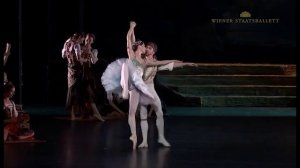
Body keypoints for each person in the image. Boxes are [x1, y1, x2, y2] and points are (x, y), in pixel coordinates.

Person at [101, 21, 180, 149]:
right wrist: (132, 28)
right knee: (126, 64)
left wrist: (172, 60)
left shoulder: (145, 60)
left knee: (131, 113)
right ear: (139, 47)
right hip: (126, 83)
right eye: (144, 46)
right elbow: (129, 39)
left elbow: (159, 63)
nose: (145, 48)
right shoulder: (132, 55)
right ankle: (125, 90)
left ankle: (134, 136)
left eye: (146, 47)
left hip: (136, 87)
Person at [138, 41, 198, 148]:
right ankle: (144, 141)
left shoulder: (156, 62)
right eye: (146, 47)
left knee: (160, 113)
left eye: (149, 48)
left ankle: (161, 137)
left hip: (151, 89)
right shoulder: (142, 60)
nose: (147, 49)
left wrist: (186, 64)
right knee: (143, 115)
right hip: (142, 89)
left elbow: (171, 65)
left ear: (153, 51)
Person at [79, 33, 105, 121]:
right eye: (87, 39)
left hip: (88, 74)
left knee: (89, 93)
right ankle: (87, 113)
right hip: (80, 73)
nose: (88, 41)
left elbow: (94, 61)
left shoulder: (94, 50)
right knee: (83, 94)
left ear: (92, 41)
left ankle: (96, 113)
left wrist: (89, 52)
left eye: (90, 40)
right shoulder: (80, 48)